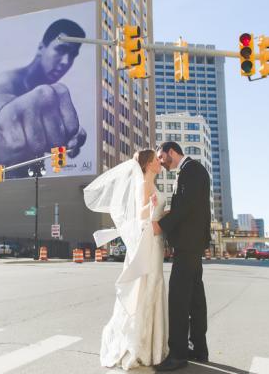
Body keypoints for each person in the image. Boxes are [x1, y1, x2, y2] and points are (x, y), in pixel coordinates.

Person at [83, 150, 169, 370]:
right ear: (149, 164)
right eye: (156, 160)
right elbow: (140, 215)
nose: (160, 163)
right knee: (146, 287)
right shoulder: (143, 184)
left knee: (153, 284)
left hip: (155, 240)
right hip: (147, 241)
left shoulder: (149, 182)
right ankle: (139, 346)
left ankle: (153, 343)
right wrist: (152, 208)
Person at [0, 19, 88, 177]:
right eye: (61, 49)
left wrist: (69, 131)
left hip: (29, 183)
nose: (66, 62)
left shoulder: (51, 99)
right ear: (41, 48)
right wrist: (4, 115)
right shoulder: (7, 80)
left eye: (72, 55)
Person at [153, 141, 212, 371]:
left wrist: (162, 225)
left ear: (171, 152)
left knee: (178, 298)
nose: (160, 161)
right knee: (195, 297)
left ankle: (177, 354)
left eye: (161, 157)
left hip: (189, 245)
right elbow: (188, 206)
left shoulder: (192, 170)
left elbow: (186, 207)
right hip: (191, 244)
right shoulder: (188, 172)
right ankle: (199, 348)